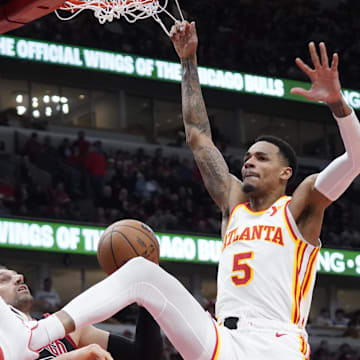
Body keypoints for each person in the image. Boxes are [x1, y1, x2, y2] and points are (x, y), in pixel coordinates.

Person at [5, 24, 360, 360]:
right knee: (140, 271)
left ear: (286, 172)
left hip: (276, 343)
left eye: (262, 158)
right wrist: (188, 61)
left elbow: (355, 158)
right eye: (248, 156)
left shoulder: (301, 205)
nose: (249, 162)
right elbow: (198, 136)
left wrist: (338, 105)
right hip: (223, 338)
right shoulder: (233, 202)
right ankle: (38, 333)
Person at [0, 266, 162, 360]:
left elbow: (144, 356)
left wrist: (147, 294)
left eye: (17, 275)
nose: (20, 277)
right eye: (3, 279)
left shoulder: (72, 331)